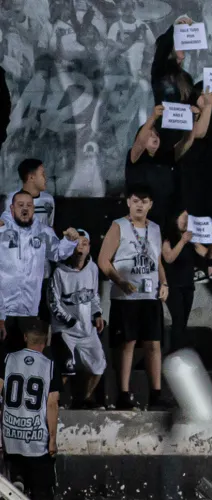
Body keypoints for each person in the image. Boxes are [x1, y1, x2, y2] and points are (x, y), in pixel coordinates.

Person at [97, 184, 168, 410]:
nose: (140, 205)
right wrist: (120, 281)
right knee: (127, 344)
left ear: (151, 205)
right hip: (126, 297)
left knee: (153, 344)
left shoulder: (155, 228)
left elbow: (158, 261)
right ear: (129, 202)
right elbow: (103, 260)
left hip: (150, 295)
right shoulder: (119, 226)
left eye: (144, 201)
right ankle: (123, 394)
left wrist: (164, 283)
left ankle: (156, 394)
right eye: (136, 200)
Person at [0, 191, 80, 354]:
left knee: (28, 358)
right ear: (11, 208)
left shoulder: (43, 231)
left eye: (29, 205)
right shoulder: (2, 230)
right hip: (3, 311)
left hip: (30, 309)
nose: (25, 209)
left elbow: (57, 253)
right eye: (20, 205)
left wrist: (70, 241)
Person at [1, 320, 61, 500]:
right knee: (42, 491)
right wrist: (52, 440)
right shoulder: (50, 366)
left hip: (11, 437)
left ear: (25, 337)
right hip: (36, 440)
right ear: (46, 340)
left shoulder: (7, 359)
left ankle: (18, 479)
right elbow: (52, 404)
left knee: (12, 490)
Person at [49, 229, 105, 409]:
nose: (80, 248)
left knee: (99, 365)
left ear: (89, 248)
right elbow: (53, 302)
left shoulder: (93, 268)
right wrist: (70, 321)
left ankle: (82, 400)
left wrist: (97, 314)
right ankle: (49, 403)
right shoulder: (59, 272)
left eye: (84, 244)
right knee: (65, 369)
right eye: (76, 244)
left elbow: (94, 295)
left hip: (87, 329)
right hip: (66, 330)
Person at [161, 210, 212, 354]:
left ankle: (176, 352)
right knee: (178, 320)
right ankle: (174, 353)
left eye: (187, 218)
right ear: (175, 220)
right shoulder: (168, 240)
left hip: (187, 285)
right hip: (173, 286)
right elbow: (169, 258)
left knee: (183, 322)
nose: (185, 221)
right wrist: (182, 241)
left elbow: (207, 254)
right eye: (182, 218)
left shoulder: (193, 241)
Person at [126, 105, 176, 225]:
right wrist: (153, 117)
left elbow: (184, 144)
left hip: (163, 218)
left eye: (157, 135)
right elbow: (139, 142)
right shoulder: (134, 157)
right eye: (150, 134)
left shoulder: (165, 159)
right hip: (140, 220)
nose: (154, 137)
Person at [151, 17, 196, 105]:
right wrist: (175, 26)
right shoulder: (160, 72)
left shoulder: (186, 77)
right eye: (178, 43)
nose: (182, 46)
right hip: (164, 118)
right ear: (170, 50)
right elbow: (163, 48)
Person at [3, 159, 55, 228]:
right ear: (31, 177)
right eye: (42, 174)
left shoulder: (48, 199)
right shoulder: (11, 200)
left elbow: (50, 226)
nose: (45, 178)